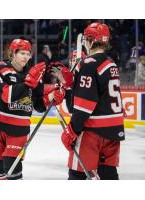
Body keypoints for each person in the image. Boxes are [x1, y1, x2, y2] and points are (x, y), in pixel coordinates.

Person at [0, 38, 65, 180]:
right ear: (13, 53)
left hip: (19, 130)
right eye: (22, 53)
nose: (25, 57)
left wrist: (52, 97)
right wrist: (29, 83)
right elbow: (6, 95)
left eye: (28, 54)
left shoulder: (34, 73)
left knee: (12, 168)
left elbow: (38, 105)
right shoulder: (0, 68)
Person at [56, 22, 125, 180]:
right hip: (114, 129)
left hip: (93, 131)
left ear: (91, 40)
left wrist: (72, 130)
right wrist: (72, 85)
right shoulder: (110, 62)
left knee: (77, 174)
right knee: (108, 174)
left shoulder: (88, 64)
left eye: (86, 39)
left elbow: (83, 106)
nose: (84, 42)